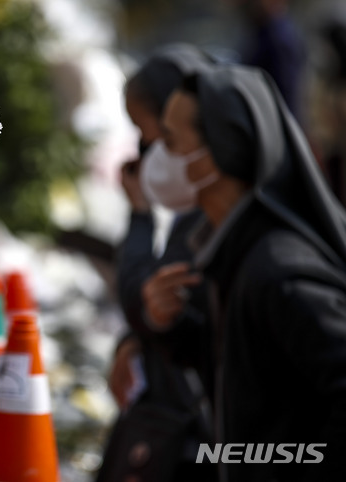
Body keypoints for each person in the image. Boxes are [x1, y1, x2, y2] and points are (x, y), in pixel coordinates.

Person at [158, 63, 346, 481]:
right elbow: (252, 378)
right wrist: (170, 326)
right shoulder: (233, 251)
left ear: (221, 152)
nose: (156, 158)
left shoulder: (280, 272)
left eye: (170, 142)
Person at [96, 44, 217, 482]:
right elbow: (161, 314)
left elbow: (149, 302)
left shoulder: (219, 218)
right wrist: (139, 334)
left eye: (162, 138)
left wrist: (141, 215)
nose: (146, 149)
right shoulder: (199, 215)